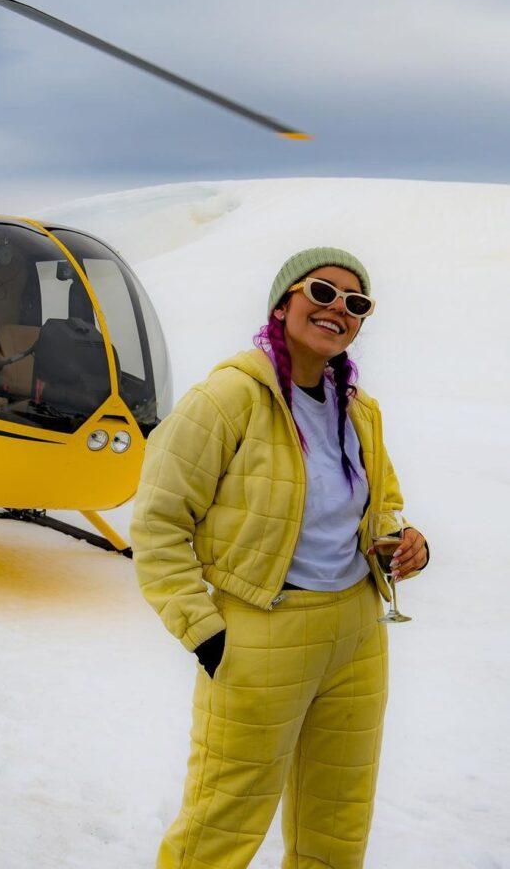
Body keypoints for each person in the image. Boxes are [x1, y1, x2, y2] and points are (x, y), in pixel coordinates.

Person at [130, 246, 429, 869]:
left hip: (357, 634)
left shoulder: (359, 410)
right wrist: (202, 629)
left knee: (338, 822)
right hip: (263, 630)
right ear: (283, 303)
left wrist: (406, 542)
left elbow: (384, 506)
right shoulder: (227, 398)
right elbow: (158, 521)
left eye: (355, 302)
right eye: (321, 291)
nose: (337, 309)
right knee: (222, 820)